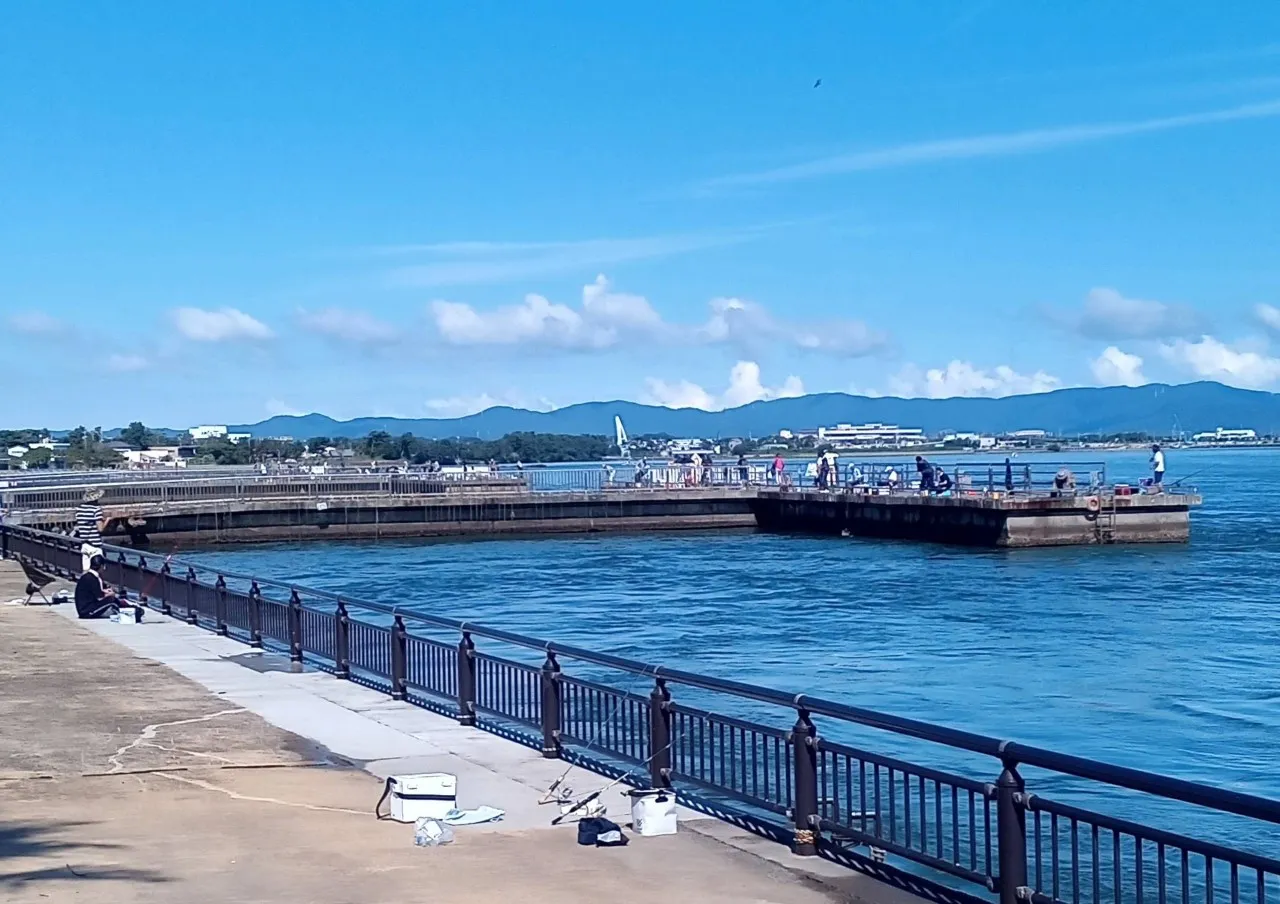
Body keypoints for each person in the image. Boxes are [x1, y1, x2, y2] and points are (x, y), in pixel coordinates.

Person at [75, 554, 119, 620]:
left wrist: (105, 591)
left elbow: (94, 592)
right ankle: (125, 610)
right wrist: (110, 594)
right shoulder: (92, 578)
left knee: (112, 601)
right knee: (112, 601)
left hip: (85, 608)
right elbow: (99, 597)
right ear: (101, 566)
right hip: (86, 611)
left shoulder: (87, 576)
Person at [75, 488, 107, 573]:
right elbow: (100, 529)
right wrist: (108, 520)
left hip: (84, 544)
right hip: (95, 545)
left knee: (86, 570)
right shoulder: (96, 509)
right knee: (98, 571)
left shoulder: (79, 509)